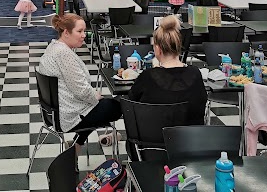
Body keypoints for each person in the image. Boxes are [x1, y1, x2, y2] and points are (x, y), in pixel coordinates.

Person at [38, 13, 122, 151]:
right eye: (79, 31)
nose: (84, 35)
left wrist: (93, 97)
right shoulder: (64, 54)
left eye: (84, 31)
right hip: (70, 116)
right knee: (122, 105)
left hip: (55, 112)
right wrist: (95, 96)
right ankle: (135, 148)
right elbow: (81, 91)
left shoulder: (53, 48)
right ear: (66, 32)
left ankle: (77, 145)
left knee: (106, 104)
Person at [128, 15, 207, 125]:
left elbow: (130, 103)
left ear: (158, 49)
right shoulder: (195, 74)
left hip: (153, 135)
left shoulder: (147, 77)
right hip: (190, 135)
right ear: (178, 46)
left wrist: (156, 70)